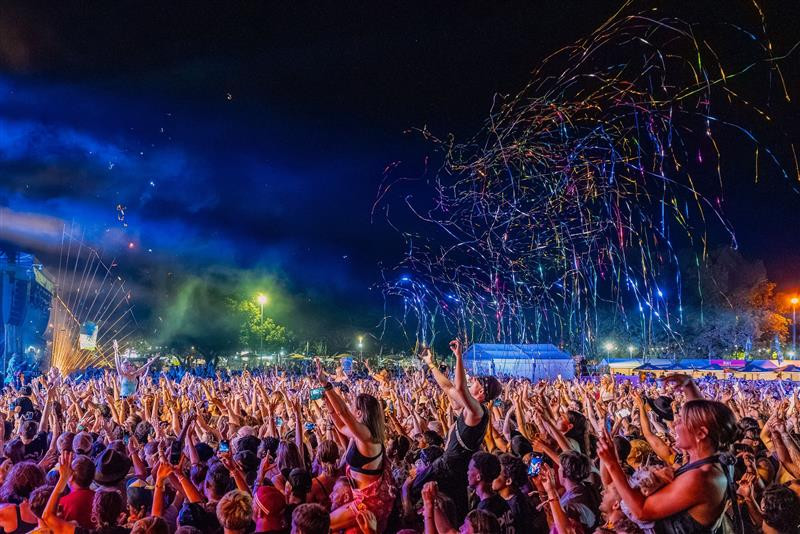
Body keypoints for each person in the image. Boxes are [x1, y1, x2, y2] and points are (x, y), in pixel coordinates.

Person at [597, 374, 739, 534]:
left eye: (682, 420)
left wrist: (612, 464)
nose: (675, 424)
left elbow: (641, 511)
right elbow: (710, 421)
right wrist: (688, 386)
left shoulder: (702, 478)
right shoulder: (717, 453)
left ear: (701, 434)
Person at [413, 339, 502, 522]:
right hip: (452, 467)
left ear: (482, 392)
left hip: (449, 468)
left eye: (475, 381)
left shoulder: (477, 411)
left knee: (414, 491)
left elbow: (460, 388)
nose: (472, 381)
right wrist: (431, 364)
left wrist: (459, 356)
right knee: (452, 511)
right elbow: (448, 387)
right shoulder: (471, 408)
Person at [314, 358, 394, 532]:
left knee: (320, 526)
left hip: (365, 503)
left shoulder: (367, 436)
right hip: (361, 498)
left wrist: (326, 384)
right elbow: (340, 424)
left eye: (352, 406)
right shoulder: (362, 435)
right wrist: (326, 399)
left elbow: (342, 412)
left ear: (359, 412)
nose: (349, 408)